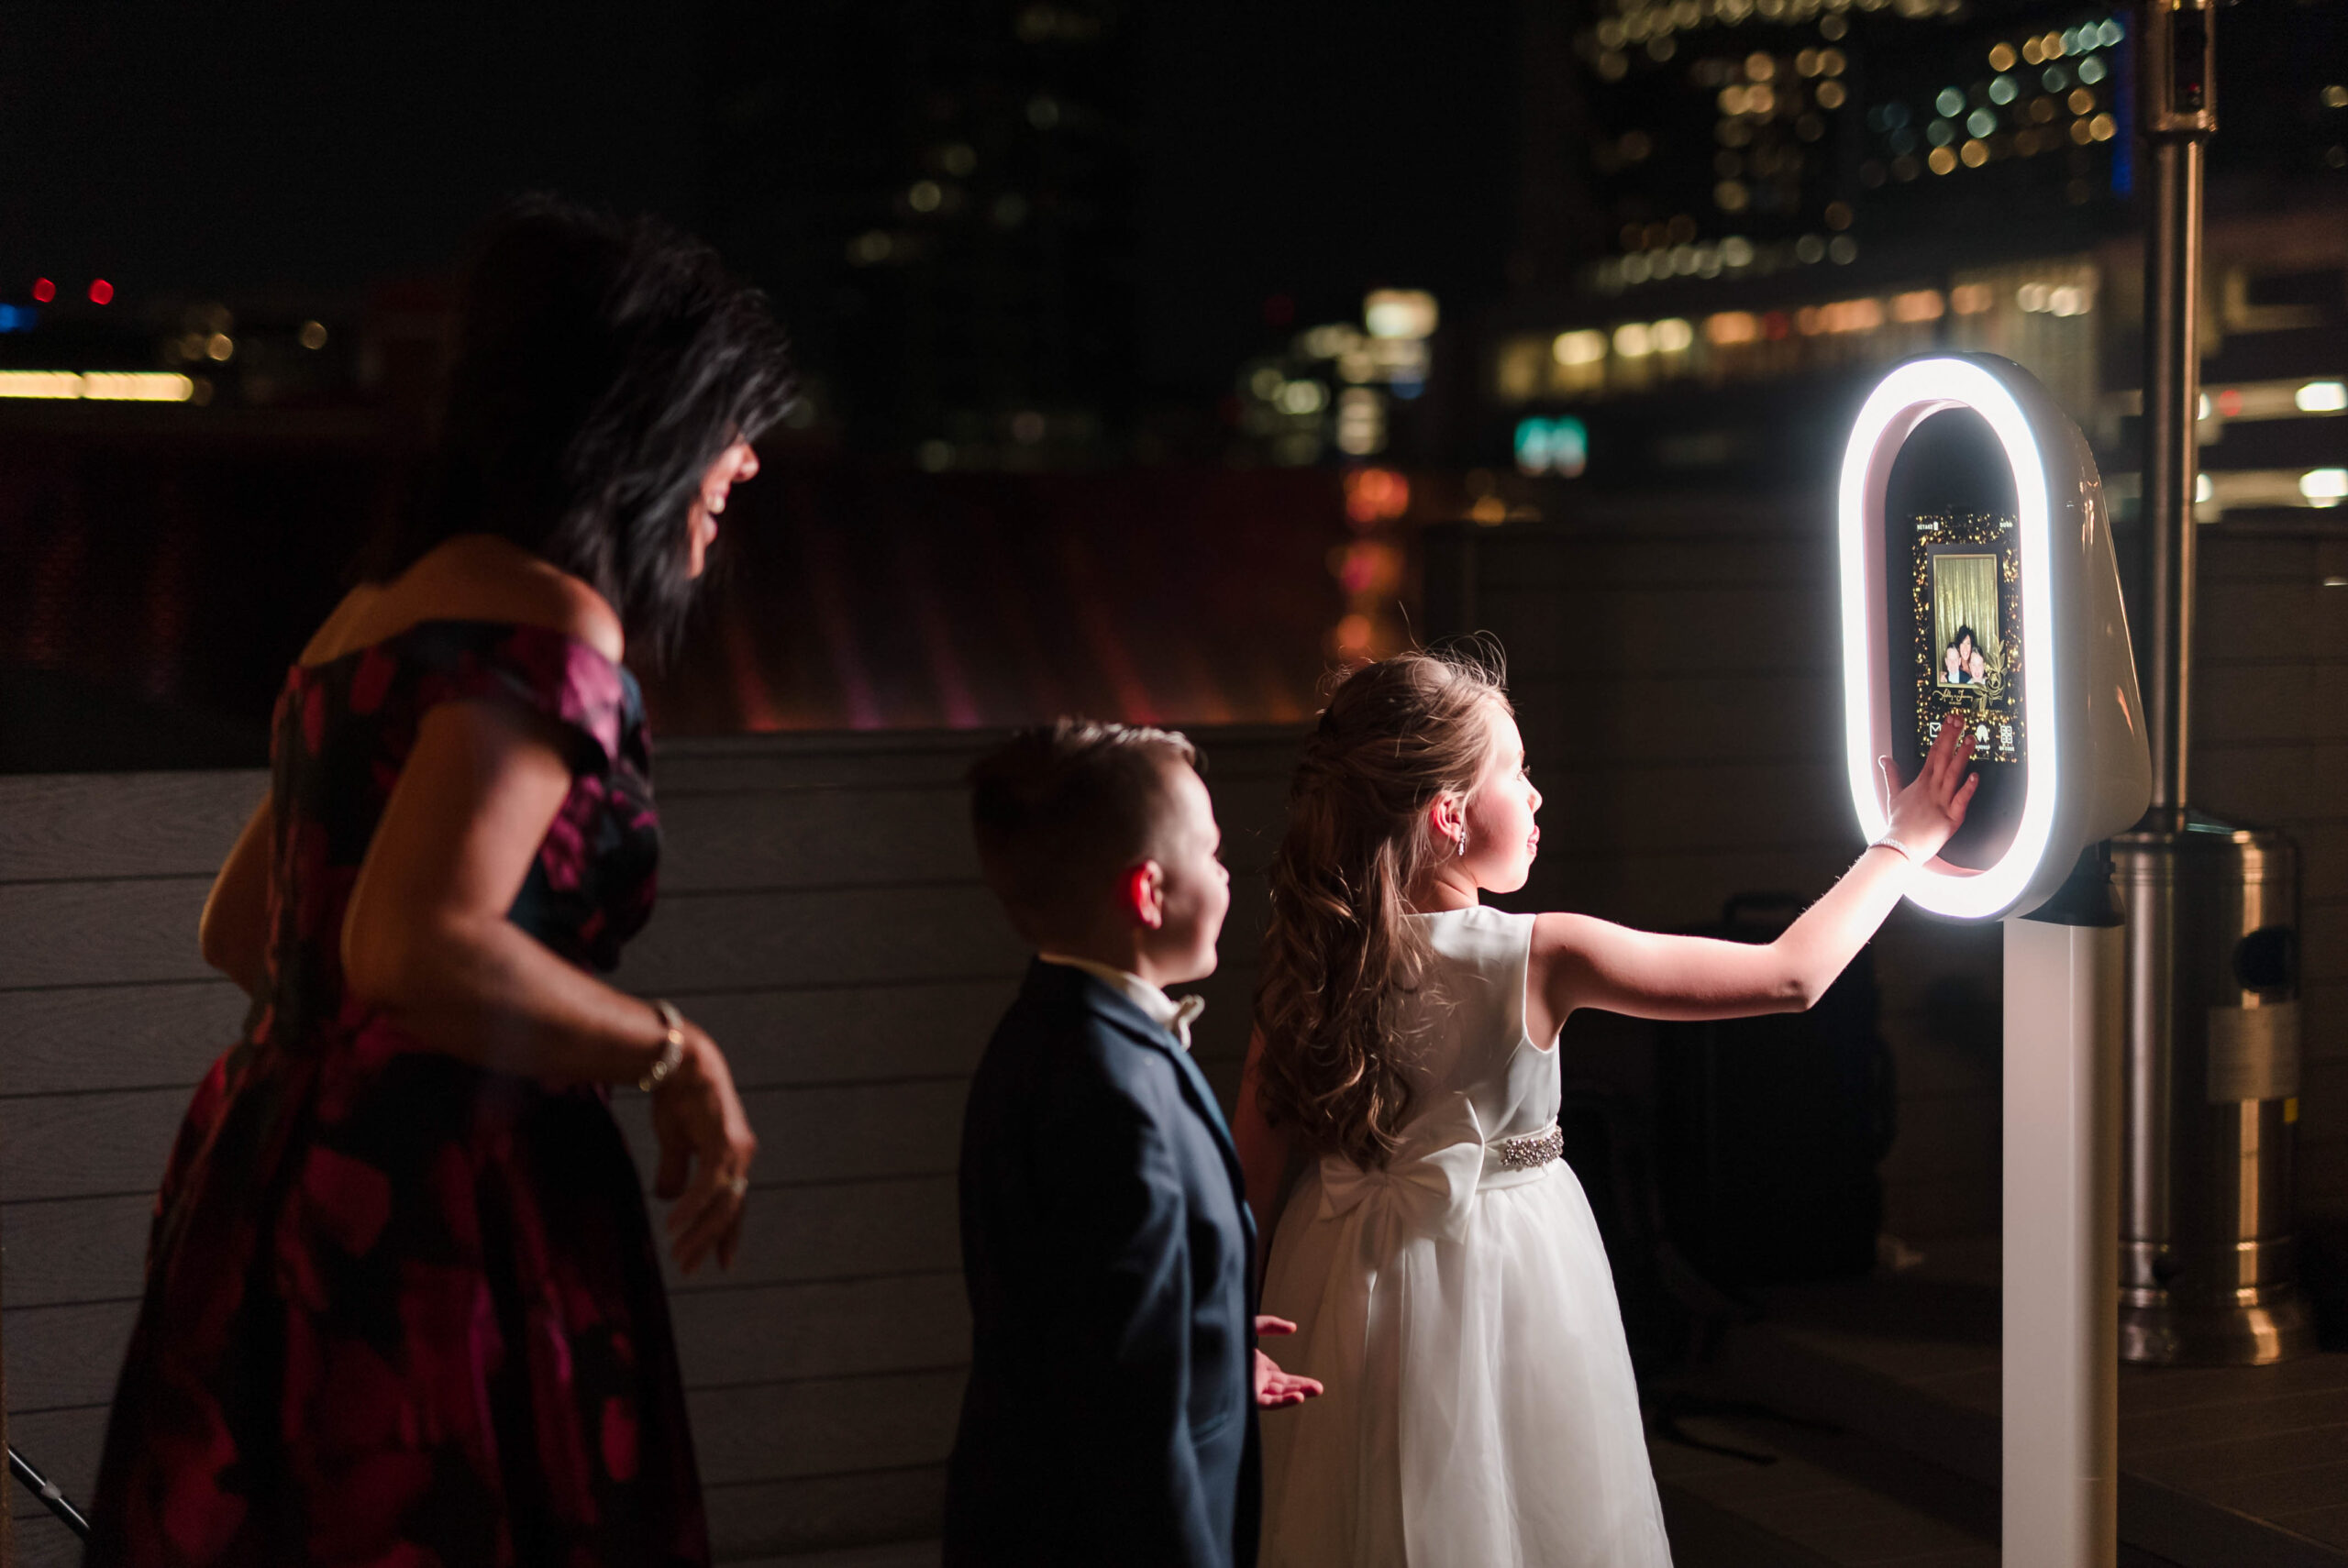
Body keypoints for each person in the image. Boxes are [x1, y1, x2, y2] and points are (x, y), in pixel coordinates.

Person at [83, 197, 795, 1567]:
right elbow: (414, 942)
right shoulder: (550, 617)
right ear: (643, 417)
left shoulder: (371, 612)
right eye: (730, 418)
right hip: (439, 1205)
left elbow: (248, 928)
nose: (748, 462)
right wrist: (672, 1051)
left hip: (273, 1174)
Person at [1236, 648, 1977, 1567]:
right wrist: (1903, 841)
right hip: (1503, 1268)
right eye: (1516, 770)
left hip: (1334, 1273)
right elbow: (1789, 976)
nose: (1537, 795)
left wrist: (1225, 1320)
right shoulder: (1538, 954)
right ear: (1449, 815)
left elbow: (1252, 1170)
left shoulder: (1308, 960)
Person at [946, 721, 1322, 1568]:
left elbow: (1085, 1307)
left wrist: (1211, 1338)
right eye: (1215, 854)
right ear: (1149, 894)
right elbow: (1123, 1413)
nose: (1231, 876)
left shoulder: (1051, 1031)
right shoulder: (1108, 1090)